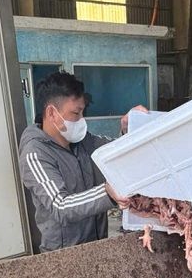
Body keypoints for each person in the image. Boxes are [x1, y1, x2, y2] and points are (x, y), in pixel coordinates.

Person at [18, 71, 145, 251]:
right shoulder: (35, 154)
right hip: (64, 256)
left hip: (97, 245)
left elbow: (116, 153)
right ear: (52, 113)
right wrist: (107, 194)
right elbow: (60, 206)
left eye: (82, 112)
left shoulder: (84, 141)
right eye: (75, 113)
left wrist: (127, 130)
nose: (81, 121)